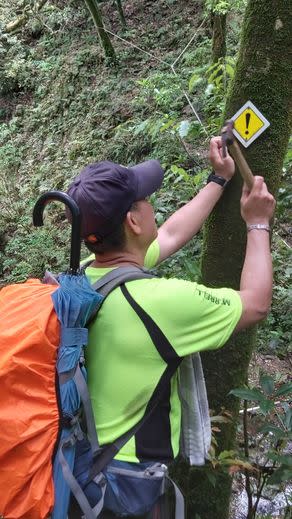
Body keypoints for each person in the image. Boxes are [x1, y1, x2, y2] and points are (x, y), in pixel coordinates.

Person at [67, 136, 275, 518]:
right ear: (132, 220)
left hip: (79, 470)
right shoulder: (163, 302)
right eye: (144, 199)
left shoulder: (85, 278)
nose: (151, 205)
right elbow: (256, 303)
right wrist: (258, 223)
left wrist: (218, 181)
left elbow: (173, 234)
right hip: (130, 483)